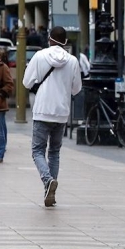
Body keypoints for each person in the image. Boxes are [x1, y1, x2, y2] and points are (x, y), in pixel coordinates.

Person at [23, 26, 82, 208]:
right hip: (61, 112)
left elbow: (26, 82)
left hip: (42, 110)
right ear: (65, 42)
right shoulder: (72, 61)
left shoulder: (40, 57)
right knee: (54, 152)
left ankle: (48, 181)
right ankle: (50, 192)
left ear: (49, 39)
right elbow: (76, 88)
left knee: (37, 151)